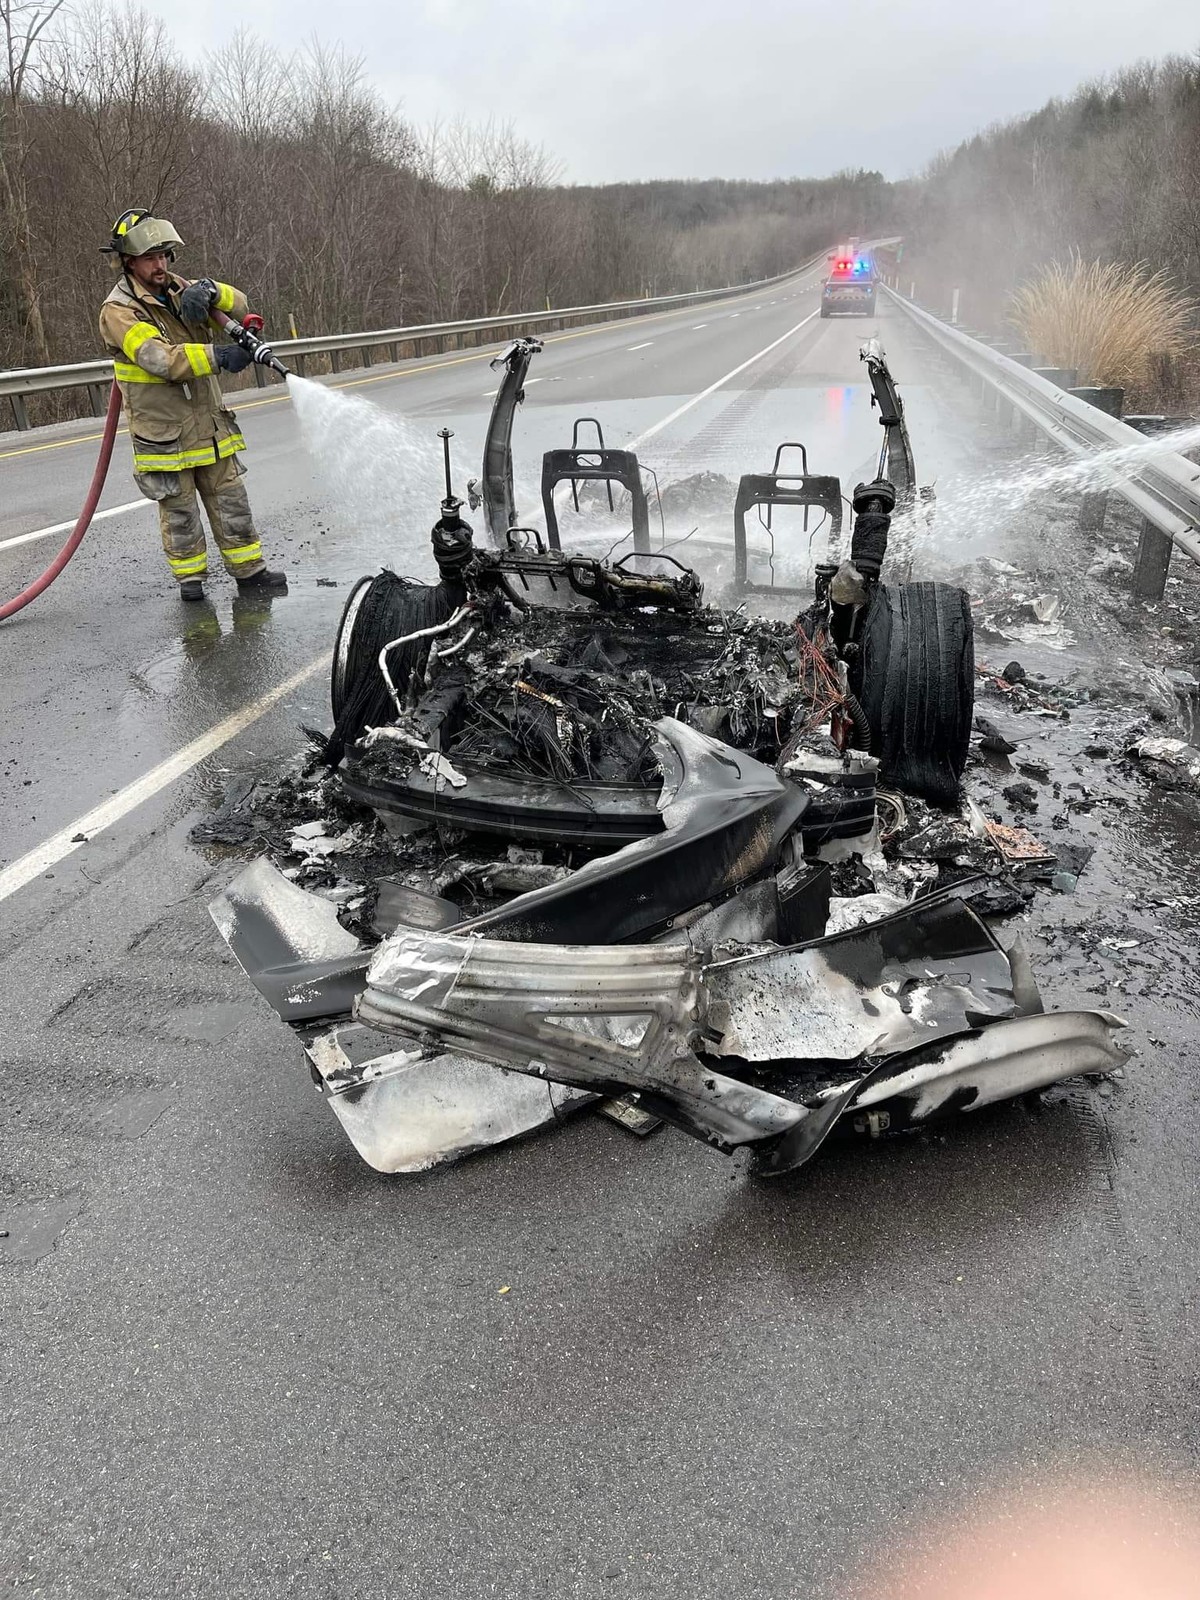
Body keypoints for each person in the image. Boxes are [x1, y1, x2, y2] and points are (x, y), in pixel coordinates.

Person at [98, 208, 287, 602]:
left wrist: (214, 291)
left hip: (209, 426)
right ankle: (191, 584)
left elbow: (240, 304)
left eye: (164, 254)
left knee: (232, 500)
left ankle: (251, 573)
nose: (160, 264)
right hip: (165, 435)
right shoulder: (119, 310)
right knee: (180, 513)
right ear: (129, 262)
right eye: (151, 257)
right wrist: (218, 357)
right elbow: (158, 359)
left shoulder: (182, 289)